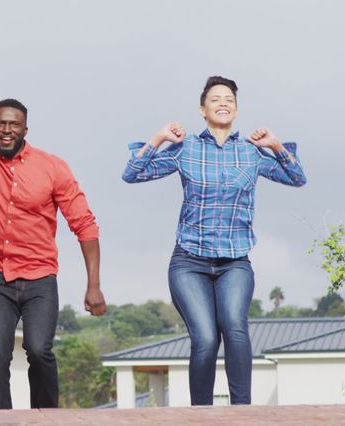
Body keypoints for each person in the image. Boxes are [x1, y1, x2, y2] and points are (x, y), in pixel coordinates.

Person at [0, 45, 107, 409]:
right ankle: (0, 420)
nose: (6, 130)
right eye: (0, 124)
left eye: (13, 124)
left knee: (39, 349)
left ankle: (47, 417)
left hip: (40, 278)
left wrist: (93, 285)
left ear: (26, 129)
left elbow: (84, 225)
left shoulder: (52, 167)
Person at [122, 75, 306, 405]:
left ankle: (241, 412)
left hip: (235, 262)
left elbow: (297, 177)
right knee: (206, 338)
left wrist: (275, 145)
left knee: (235, 327)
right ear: (202, 109)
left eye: (229, 100)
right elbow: (132, 172)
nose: (223, 103)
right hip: (189, 262)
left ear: (236, 110)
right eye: (215, 99)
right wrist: (160, 137)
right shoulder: (186, 148)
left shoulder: (251, 152)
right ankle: (202, 414)